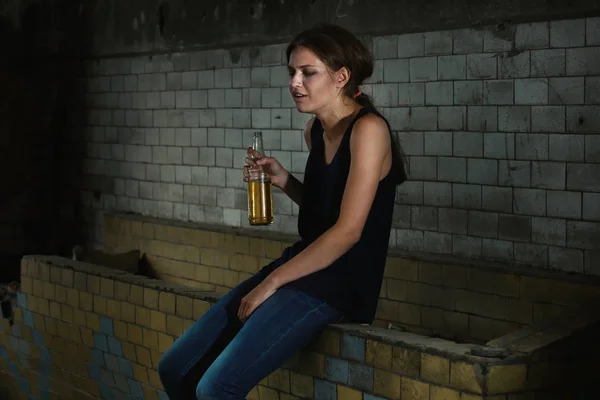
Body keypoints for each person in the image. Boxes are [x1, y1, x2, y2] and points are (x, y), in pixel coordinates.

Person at [157, 23, 407, 399]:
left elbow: (349, 230)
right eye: (292, 72)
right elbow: (326, 212)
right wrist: (284, 180)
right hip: (304, 267)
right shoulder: (314, 131)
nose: (295, 82)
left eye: (308, 73)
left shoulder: (368, 129)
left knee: (215, 388)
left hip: (339, 285)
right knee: (175, 368)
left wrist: (271, 283)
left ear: (341, 77)